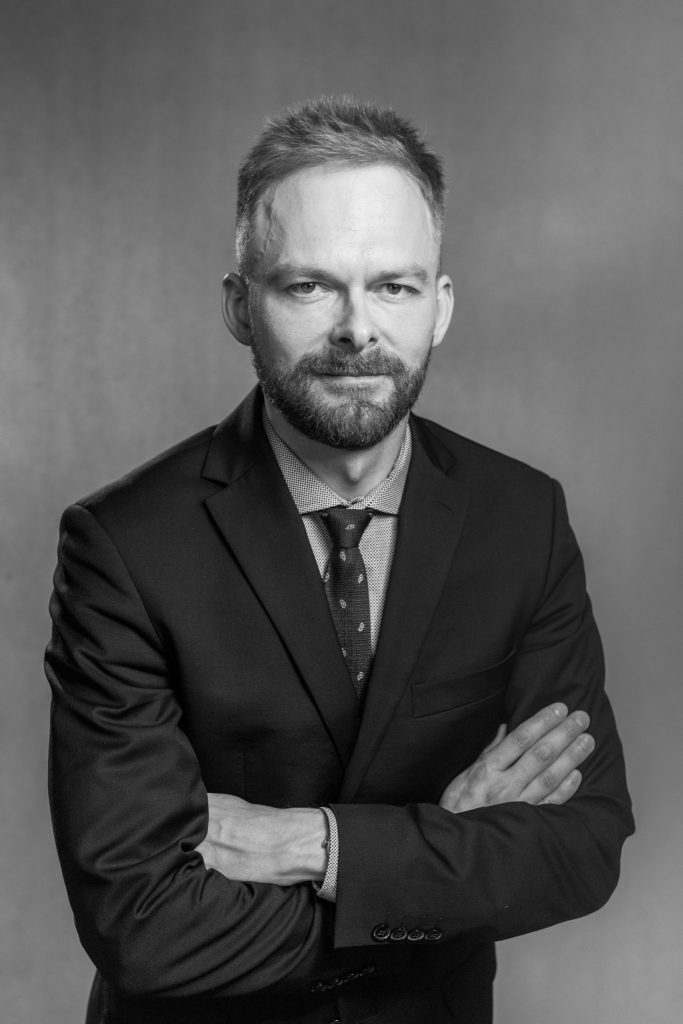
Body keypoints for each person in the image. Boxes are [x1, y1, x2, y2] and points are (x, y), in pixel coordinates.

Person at [46, 97, 633, 1024]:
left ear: (439, 307)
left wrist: (312, 846)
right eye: (309, 286)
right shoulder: (123, 545)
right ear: (239, 306)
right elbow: (143, 926)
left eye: (394, 286)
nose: (358, 329)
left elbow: (581, 848)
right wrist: (437, 861)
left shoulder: (522, 518)